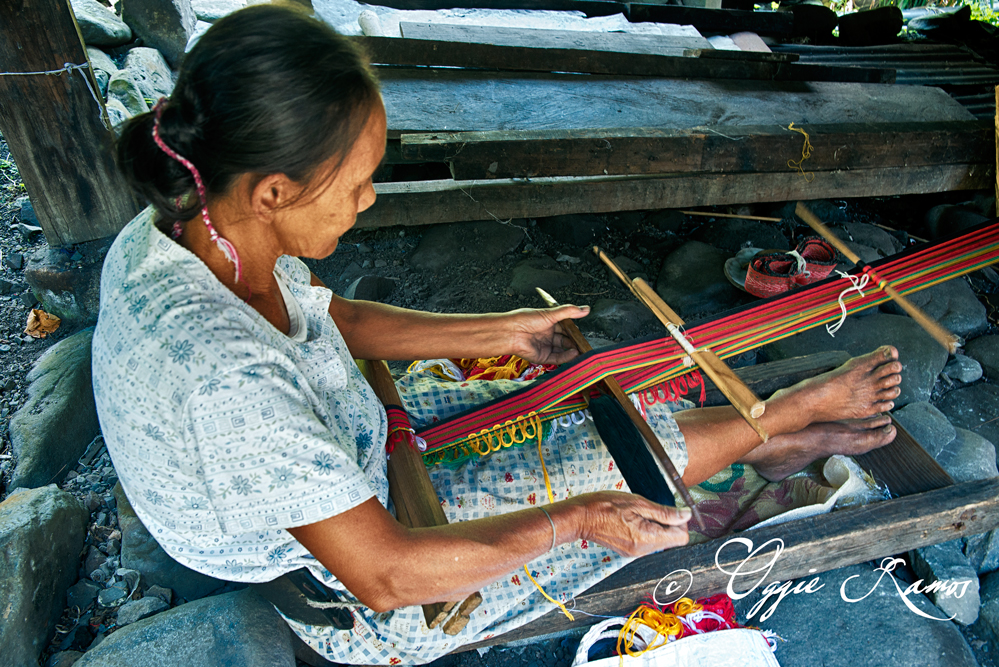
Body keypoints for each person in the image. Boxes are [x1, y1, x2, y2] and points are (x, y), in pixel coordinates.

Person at [92, 5, 903, 664]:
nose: (369, 199)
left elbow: (324, 318)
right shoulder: (226, 382)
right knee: (604, 473)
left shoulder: (194, 224)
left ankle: (758, 439)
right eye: (359, 182)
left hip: (343, 436)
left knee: (561, 401)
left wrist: (500, 329)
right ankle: (776, 421)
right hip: (358, 588)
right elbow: (384, 573)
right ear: (272, 189)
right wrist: (577, 521)